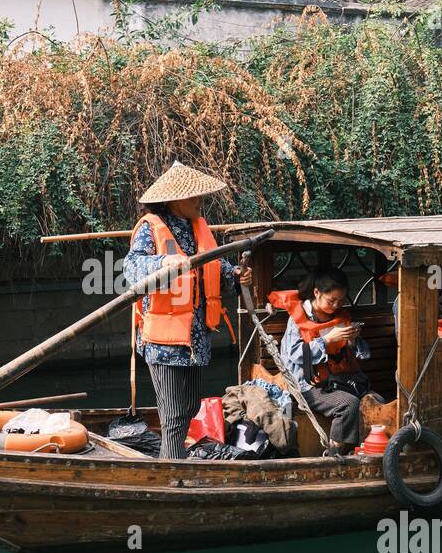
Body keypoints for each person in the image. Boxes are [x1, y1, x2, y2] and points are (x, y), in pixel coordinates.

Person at [122, 162, 250, 459]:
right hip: (162, 341)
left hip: (195, 337)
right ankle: (173, 472)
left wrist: (233, 276)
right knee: (173, 415)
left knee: (190, 407)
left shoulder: (198, 227)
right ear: (175, 199)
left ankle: (174, 460)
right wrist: (161, 264)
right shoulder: (150, 227)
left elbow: (213, 269)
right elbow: (131, 268)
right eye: (194, 197)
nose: (200, 202)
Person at [274, 266, 371, 454]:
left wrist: (352, 339)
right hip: (308, 386)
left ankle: (366, 451)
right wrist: (327, 339)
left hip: (341, 380)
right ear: (317, 292)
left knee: (375, 400)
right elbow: (294, 355)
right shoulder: (298, 319)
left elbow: (362, 355)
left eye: (341, 301)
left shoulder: (340, 316)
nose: (336, 306)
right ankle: (335, 454)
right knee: (348, 404)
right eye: (332, 300)